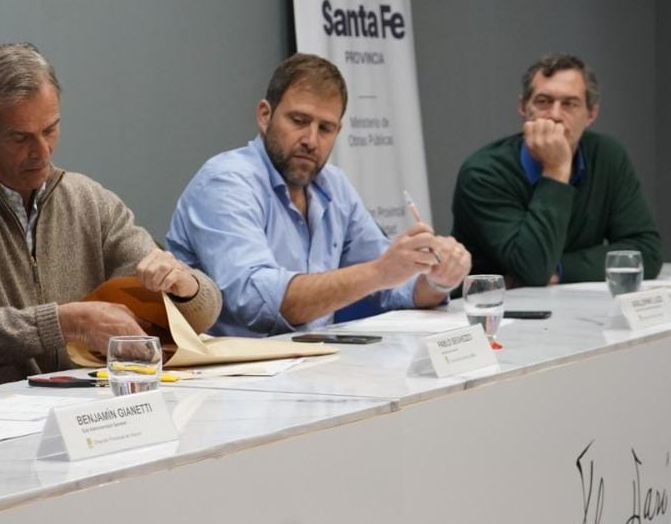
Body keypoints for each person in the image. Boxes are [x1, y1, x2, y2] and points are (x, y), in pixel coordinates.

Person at [0, 43, 221, 393]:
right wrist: (63, 323)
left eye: (50, 129)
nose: (42, 152)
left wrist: (185, 288)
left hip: (86, 404)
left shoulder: (89, 200)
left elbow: (203, 314)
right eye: (20, 138)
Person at [166, 53, 470, 337]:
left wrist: (436, 279)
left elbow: (395, 289)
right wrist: (380, 272)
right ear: (264, 116)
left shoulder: (334, 186)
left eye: (325, 128)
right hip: (231, 369)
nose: (311, 140)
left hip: (312, 360)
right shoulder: (226, 182)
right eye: (299, 121)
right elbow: (256, 303)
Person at [450, 53, 661, 287]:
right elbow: (533, 269)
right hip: (498, 306)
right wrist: (557, 168)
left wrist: (560, 270)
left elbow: (646, 252)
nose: (555, 115)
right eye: (543, 101)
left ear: (591, 114)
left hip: (572, 301)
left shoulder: (607, 155)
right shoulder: (484, 173)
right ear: (523, 107)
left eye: (569, 104)